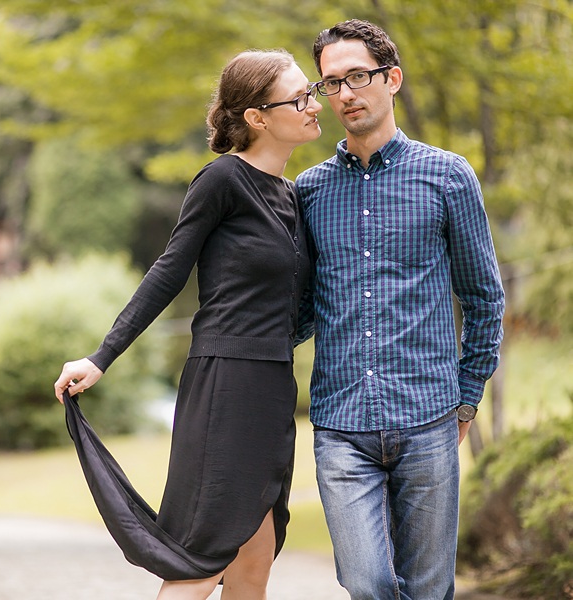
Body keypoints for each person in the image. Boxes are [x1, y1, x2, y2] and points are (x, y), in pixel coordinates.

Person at [54, 49, 322, 600]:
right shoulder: (223, 180)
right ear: (258, 117)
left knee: (253, 566)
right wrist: (100, 357)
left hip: (273, 387)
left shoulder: (294, 196)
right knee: (198, 566)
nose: (314, 104)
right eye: (300, 97)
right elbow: (168, 272)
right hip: (225, 384)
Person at [294, 19, 506, 600]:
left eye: (357, 77)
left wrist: (467, 396)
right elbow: (302, 308)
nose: (344, 94)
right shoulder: (307, 191)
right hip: (340, 423)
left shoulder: (448, 176)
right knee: (365, 583)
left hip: (428, 417)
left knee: (430, 588)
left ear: (393, 79)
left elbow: (483, 296)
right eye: (330, 83)